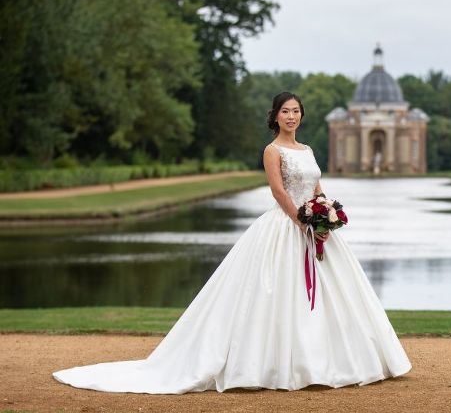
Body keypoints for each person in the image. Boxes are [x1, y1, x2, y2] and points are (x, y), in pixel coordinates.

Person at [51, 91, 412, 393]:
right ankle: (271, 365)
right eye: (285, 111)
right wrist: (301, 220)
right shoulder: (273, 151)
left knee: (333, 296)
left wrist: (325, 214)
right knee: (273, 296)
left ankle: (330, 360)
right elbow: (277, 190)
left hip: (314, 229)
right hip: (285, 228)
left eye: (296, 111)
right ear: (275, 117)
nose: (291, 116)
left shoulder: (308, 149)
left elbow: (316, 187)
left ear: (302, 116)